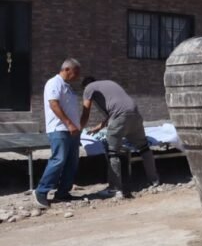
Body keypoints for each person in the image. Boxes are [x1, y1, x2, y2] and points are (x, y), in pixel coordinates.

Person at [80, 77, 160, 197]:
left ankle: (115, 189)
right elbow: (117, 110)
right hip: (135, 114)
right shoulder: (109, 84)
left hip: (121, 117)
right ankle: (155, 181)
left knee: (112, 152)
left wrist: (79, 129)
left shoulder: (88, 88)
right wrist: (99, 127)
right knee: (144, 148)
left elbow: (86, 111)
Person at [33, 58, 83, 208]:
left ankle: (63, 193)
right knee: (59, 160)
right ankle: (41, 191)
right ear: (67, 69)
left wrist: (76, 126)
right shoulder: (54, 83)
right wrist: (68, 123)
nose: (77, 77)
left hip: (72, 131)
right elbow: (53, 104)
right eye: (76, 73)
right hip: (60, 128)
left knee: (71, 162)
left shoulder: (67, 86)